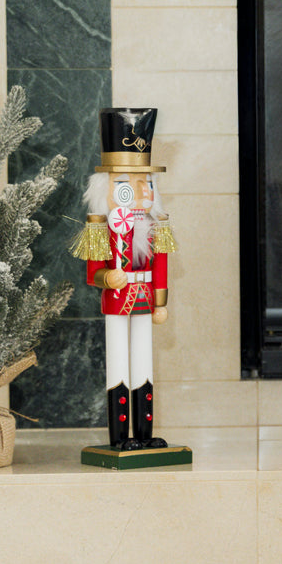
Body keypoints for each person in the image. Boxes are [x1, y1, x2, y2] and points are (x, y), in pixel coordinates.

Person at [72, 107, 177, 452]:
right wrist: (107, 276)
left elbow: (160, 265)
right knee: (119, 360)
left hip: (145, 297)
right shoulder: (101, 228)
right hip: (117, 301)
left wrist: (161, 302)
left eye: (145, 183)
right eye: (126, 184)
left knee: (143, 362)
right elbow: (93, 273)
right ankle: (121, 437)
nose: (140, 191)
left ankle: (145, 435)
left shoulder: (155, 225)